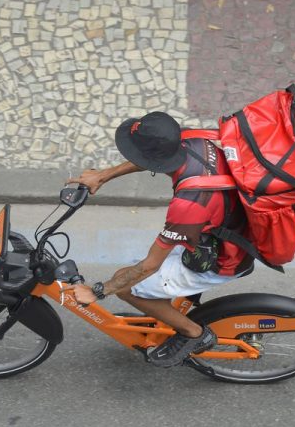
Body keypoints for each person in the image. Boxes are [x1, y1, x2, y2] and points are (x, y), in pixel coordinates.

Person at [65, 111, 253, 368]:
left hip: (221, 259)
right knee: (138, 277)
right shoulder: (193, 141)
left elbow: (149, 265)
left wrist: (98, 290)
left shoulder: (188, 205)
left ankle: (195, 334)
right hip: (225, 228)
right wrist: (103, 175)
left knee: (126, 286)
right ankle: (163, 309)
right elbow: (153, 159)